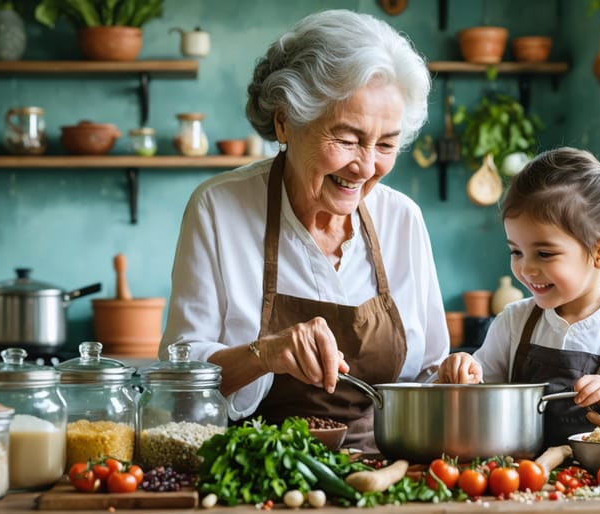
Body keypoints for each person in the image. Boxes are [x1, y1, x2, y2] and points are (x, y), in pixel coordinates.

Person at [160, 9, 448, 451]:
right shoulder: (219, 208)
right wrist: (265, 355)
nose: (367, 166)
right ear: (285, 122)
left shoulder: (402, 220)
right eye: (348, 139)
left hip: (386, 472)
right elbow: (180, 375)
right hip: (259, 470)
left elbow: (431, 373)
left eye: (386, 144)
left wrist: (457, 374)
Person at [437, 147, 600, 447]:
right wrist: (463, 371)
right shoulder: (512, 323)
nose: (526, 268)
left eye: (544, 253)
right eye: (516, 251)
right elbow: (475, 398)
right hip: (522, 484)